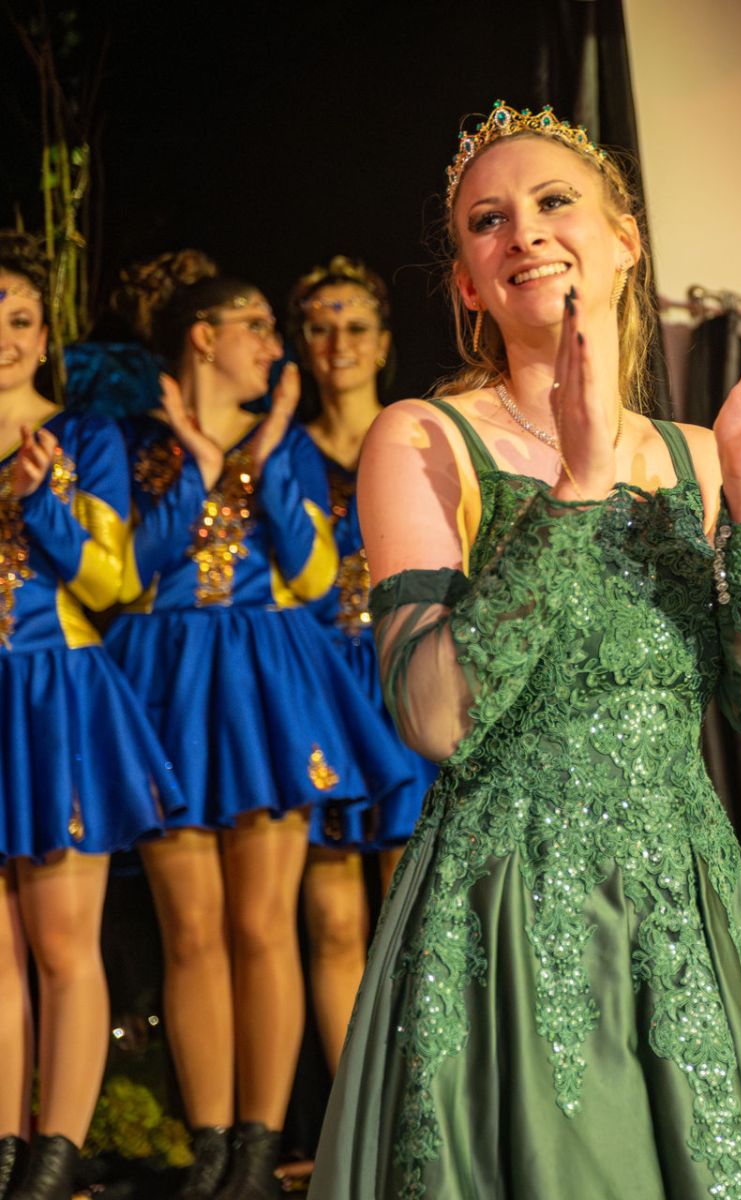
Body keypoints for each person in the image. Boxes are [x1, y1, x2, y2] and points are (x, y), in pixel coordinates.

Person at [309, 102, 741, 1199]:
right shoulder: (423, 438)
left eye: (554, 202)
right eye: (489, 221)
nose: (524, 231)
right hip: (513, 909)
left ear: (624, 241)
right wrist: (572, 491)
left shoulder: (700, 454)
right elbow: (433, 715)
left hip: (688, 901)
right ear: (468, 285)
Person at [107, 250, 417, 1199]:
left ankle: (259, 1141)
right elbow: (126, 575)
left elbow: (317, 577)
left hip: (262, 685)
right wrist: (199, 468)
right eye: (262, 329)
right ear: (206, 337)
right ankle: (210, 1141)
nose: (279, 348)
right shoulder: (133, 438)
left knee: (262, 924)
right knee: (191, 931)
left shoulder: (286, 441)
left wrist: (266, 451)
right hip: (165, 680)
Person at [0, 233, 180, 1200]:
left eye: (20, 318)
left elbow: (112, 583)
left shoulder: (84, 440)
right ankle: (3, 1148)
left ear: (45, 336)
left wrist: (43, 504)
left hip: (54, 694)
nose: (3, 336)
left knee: (65, 944)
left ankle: (56, 1150)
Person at [285, 257, 435, 1075]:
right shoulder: (280, 451)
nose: (337, 344)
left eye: (355, 328)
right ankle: (353, 1111)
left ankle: (423, 1102)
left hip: (405, 674)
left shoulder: (421, 436)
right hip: (321, 690)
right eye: (319, 328)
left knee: (417, 916)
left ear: (383, 343)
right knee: (335, 922)